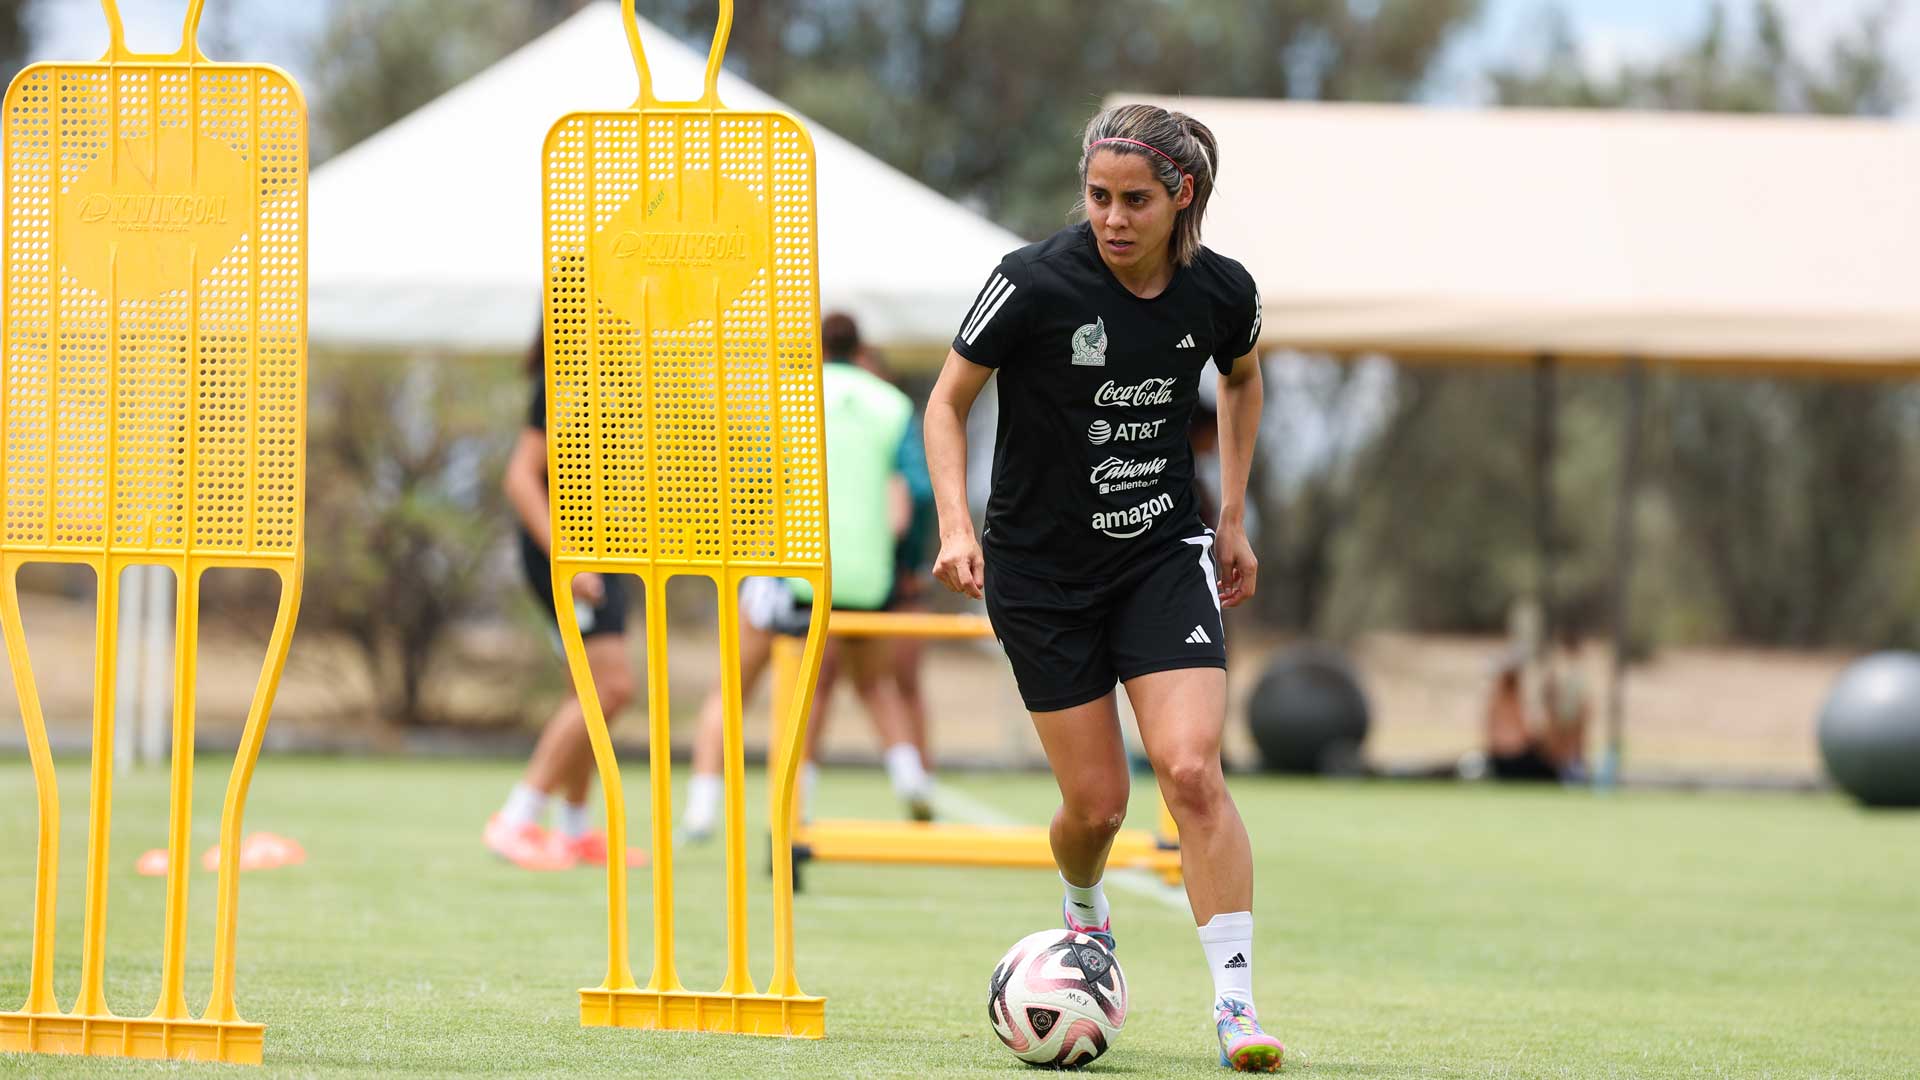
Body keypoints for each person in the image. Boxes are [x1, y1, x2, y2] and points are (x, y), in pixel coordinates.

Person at [924, 104, 1282, 1071]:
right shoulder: (1031, 283)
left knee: (1193, 772)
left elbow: (1243, 381)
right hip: (1040, 576)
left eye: (1135, 201)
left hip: (1163, 555)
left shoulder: (1222, 293)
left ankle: (1238, 1009)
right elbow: (947, 405)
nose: (1113, 218)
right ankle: (1085, 913)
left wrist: (1234, 518)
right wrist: (957, 526)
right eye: (1097, 197)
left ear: (1182, 198)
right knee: (1096, 808)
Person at [681, 314, 934, 840]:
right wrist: (903, 566)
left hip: (789, 573)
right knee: (872, 683)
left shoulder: (786, 396)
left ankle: (704, 806)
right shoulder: (891, 405)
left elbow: (750, 482)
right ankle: (910, 778)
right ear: (860, 348)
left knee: (734, 690)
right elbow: (916, 492)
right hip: (865, 577)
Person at [487, 328, 645, 872]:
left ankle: (575, 831)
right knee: (611, 688)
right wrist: (567, 558)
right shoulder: (563, 380)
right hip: (568, 555)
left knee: (587, 691)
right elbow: (521, 477)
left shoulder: (609, 380)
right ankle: (516, 817)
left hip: (599, 548)